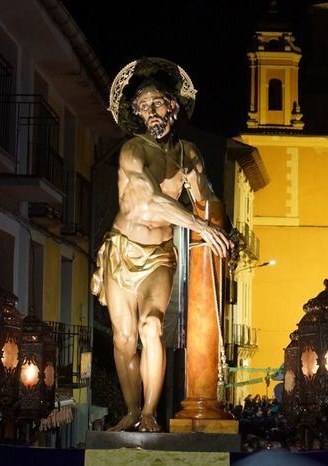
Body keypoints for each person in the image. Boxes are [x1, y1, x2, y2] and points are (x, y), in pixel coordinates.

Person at [92, 58, 232, 432]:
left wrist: (218, 228)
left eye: (157, 103)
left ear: (173, 105)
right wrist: (199, 222)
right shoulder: (132, 151)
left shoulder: (188, 153)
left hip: (160, 255)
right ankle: (131, 410)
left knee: (151, 327)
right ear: (136, 115)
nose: (151, 112)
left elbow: (207, 200)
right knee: (124, 339)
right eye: (143, 107)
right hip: (123, 250)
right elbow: (148, 200)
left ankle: (151, 412)